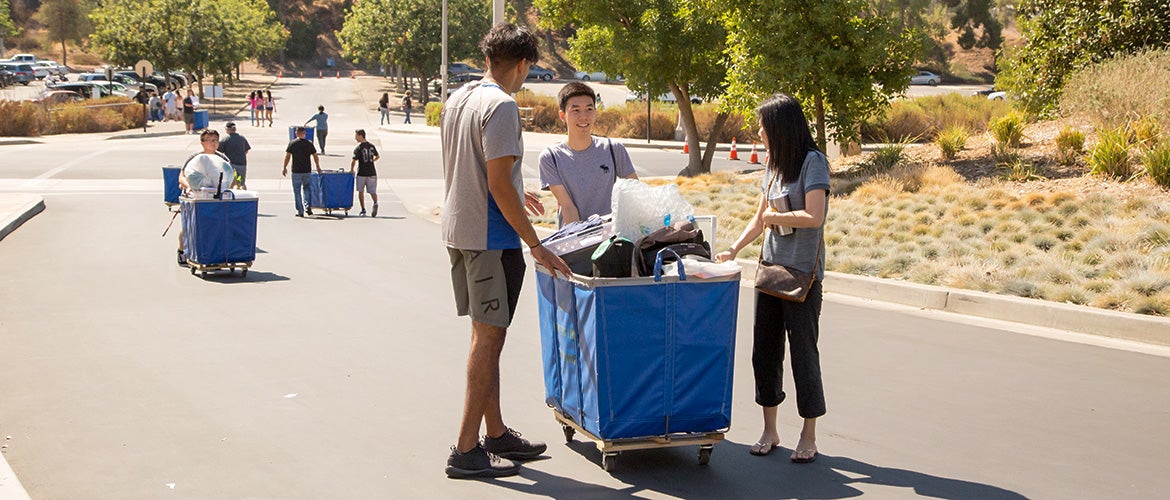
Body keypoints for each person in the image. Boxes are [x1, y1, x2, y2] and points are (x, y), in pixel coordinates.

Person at [440, 23, 572, 480]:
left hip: (462, 230)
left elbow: (482, 172)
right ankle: (465, 448)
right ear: (522, 65)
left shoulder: (459, 99)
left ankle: (494, 434)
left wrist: (518, 191)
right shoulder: (501, 105)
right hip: (491, 240)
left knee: (484, 335)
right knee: (489, 337)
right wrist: (535, 243)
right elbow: (495, 182)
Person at [714, 93, 830, 464]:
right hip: (770, 272)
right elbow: (760, 214)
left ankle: (808, 434)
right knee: (764, 353)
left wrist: (775, 219)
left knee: (803, 355)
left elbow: (815, 216)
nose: (759, 131)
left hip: (803, 277)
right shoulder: (773, 166)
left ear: (780, 127)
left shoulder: (813, 163)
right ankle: (770, 429)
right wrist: (734, 248)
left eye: (763, 125)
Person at [539, 82, 638, 227]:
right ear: (562, 115)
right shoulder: (550, 157)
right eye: (576, 110)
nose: (583, 117)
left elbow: (636, 192)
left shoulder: (613, 149)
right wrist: (581, 243)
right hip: (574, 238)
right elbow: (568, 207)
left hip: (611, 238)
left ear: (595, 112)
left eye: (589, 109)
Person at [176, 129, 234, 266]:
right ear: (202, 142)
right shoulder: (195, 158)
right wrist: (188, 186)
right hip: (195, 196)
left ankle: (211, 255)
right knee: (188, 225)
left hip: (216, 197)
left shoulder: (223, 159)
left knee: (214, 226)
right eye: (209, 140)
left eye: (215, 140)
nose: (213, 143)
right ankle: (182, 251)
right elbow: (182, 176)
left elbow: (229, 176)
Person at [282, 126, 322, 217]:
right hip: (307, 170)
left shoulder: (292, 143)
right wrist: (318, 166)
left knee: (297, 191)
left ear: (296, 133)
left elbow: (287, 156)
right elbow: (315, 156)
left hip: (296, 170)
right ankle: (308, 207)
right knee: (307, 189)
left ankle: (300, 210)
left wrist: (284, 167)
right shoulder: (309, 143)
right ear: (304, 134)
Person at [350, 129, 380, 217]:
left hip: (362, 172)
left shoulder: (358, 148)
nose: (355, 138)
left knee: (360, 191)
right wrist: (372, 161)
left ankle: (363, 209)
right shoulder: (371, 146)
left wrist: (351, 169)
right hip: (372, 172)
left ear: (360, 136)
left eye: (356, 136)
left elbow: (354, 160)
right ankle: (375, 203)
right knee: (372, 191)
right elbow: (377, 156)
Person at [217, 122, 252, 190]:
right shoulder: (242, 138)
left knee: (230, 182)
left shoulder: (225, 139)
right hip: (242, 164)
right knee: (241, 182)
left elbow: (219, 151)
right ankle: (244, 194)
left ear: (227, 129)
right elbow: (246, 150)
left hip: (230, 164)